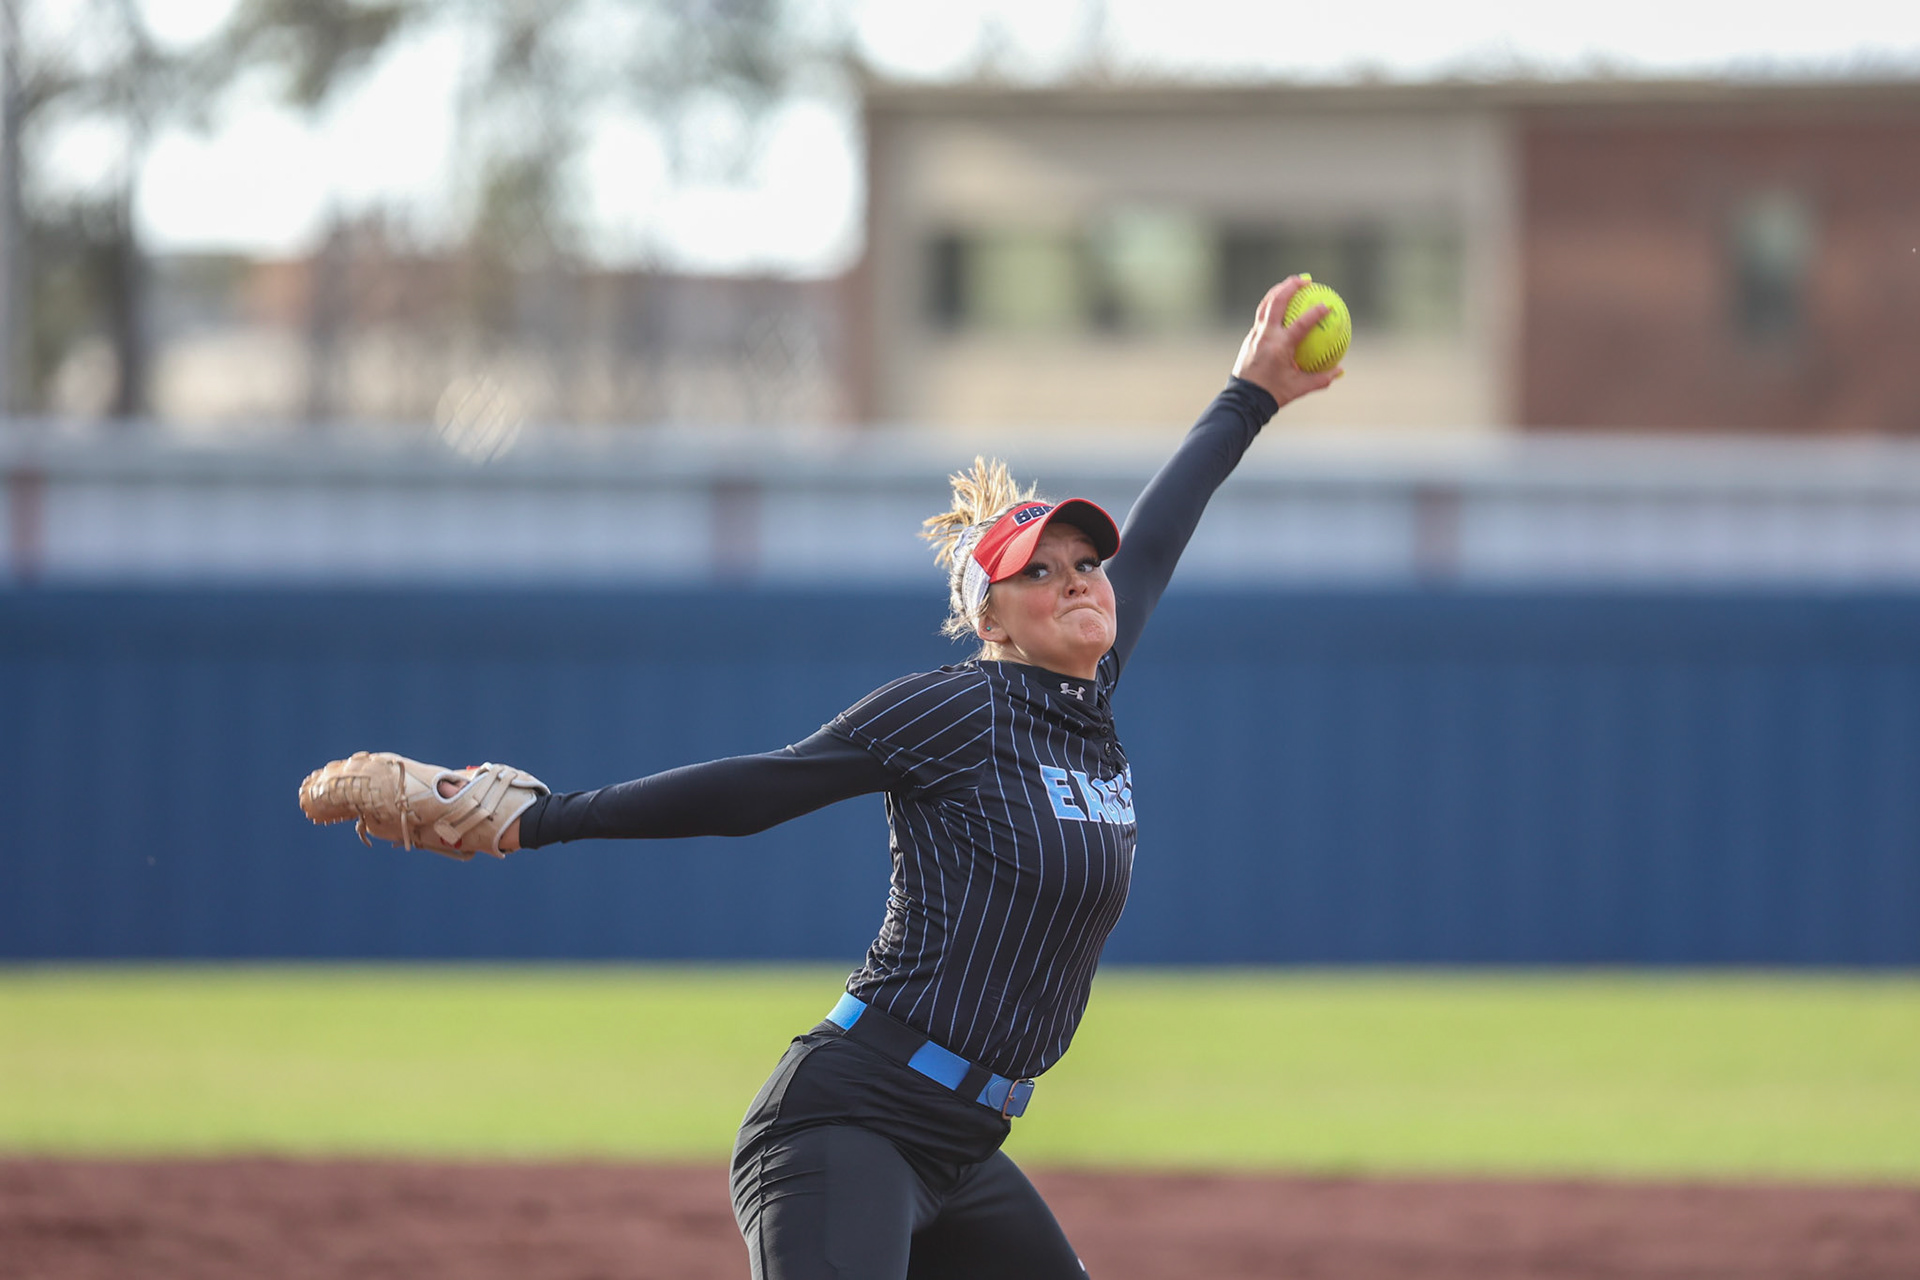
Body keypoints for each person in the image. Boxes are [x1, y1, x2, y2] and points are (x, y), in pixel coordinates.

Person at [298, 275, 1341, 1279]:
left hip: (962, 1144)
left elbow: (1158, 534)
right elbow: (766, 787)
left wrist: (1251, 392)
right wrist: (546, 818)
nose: (1077, 579)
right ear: (990, 618)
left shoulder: (1087, 704)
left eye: (1085, 563)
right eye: (1040, 569)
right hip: (848, 1119)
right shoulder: (956, 707)